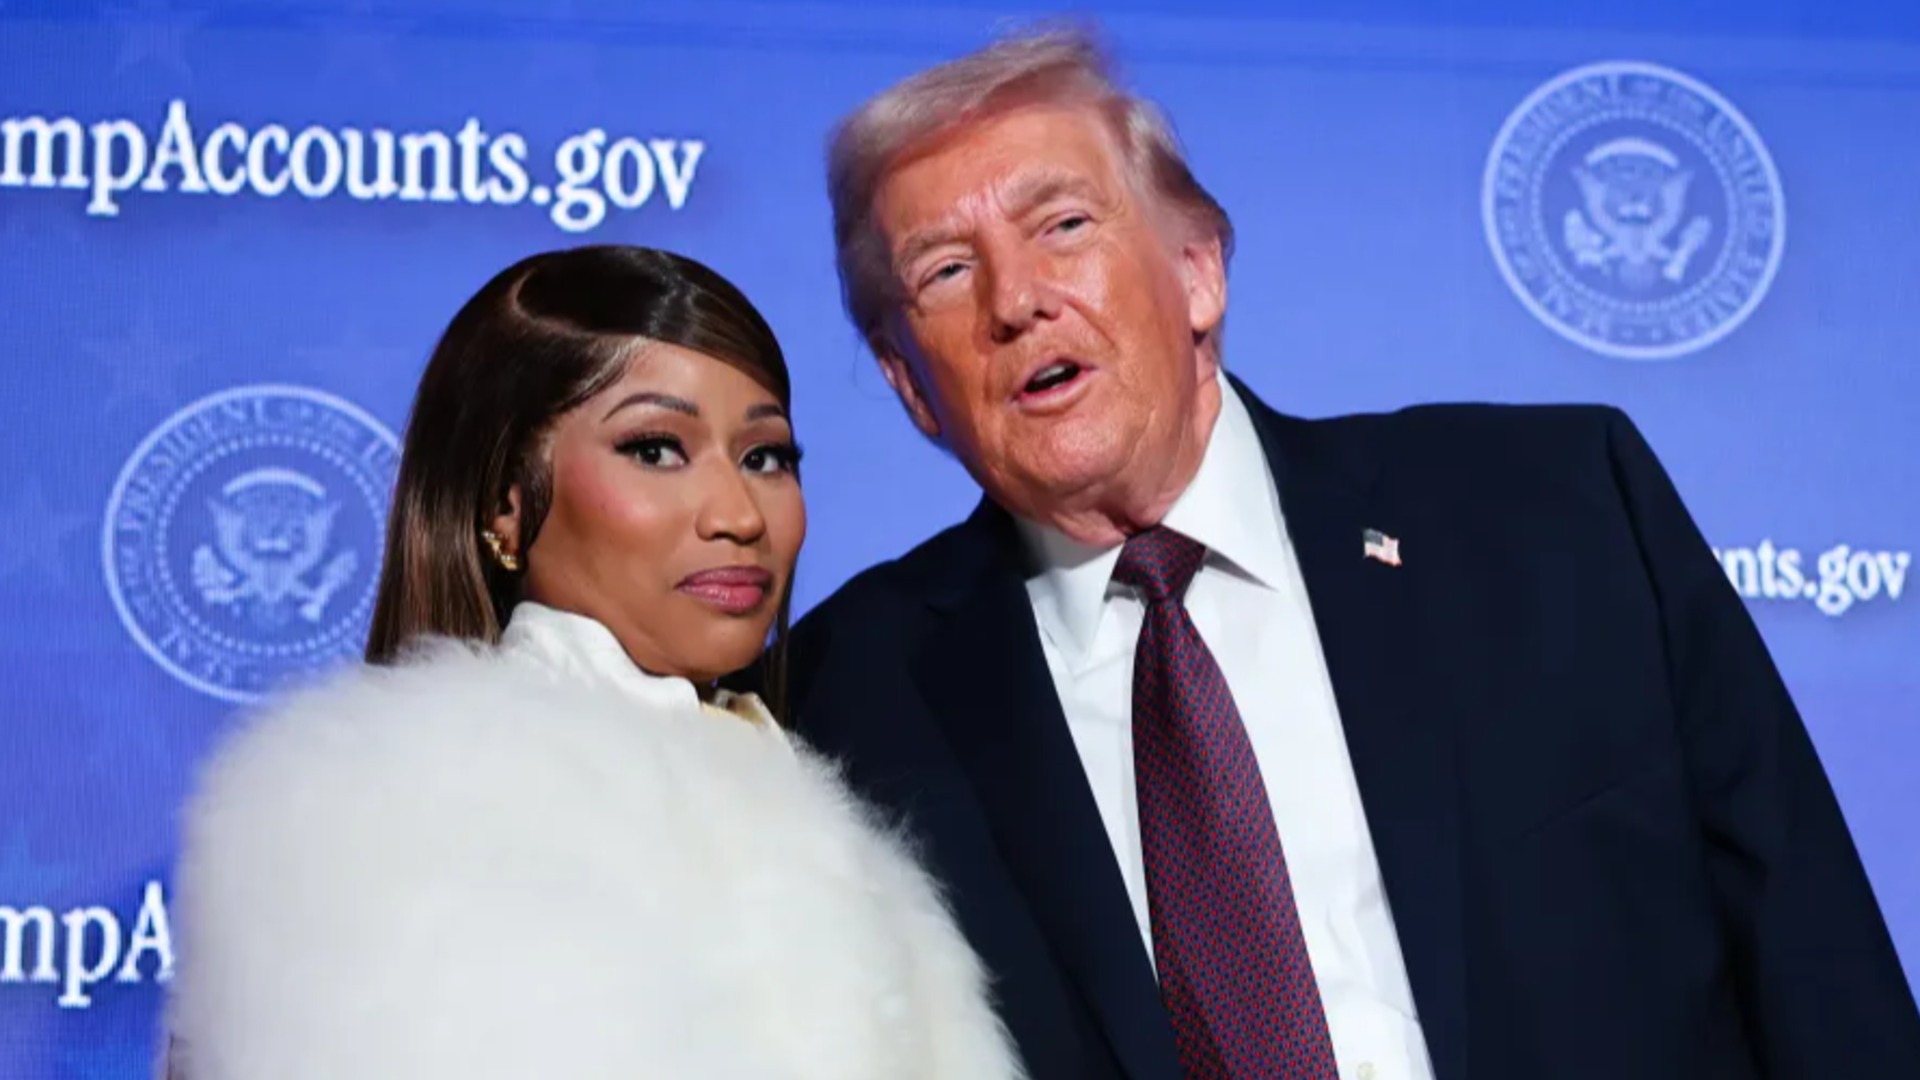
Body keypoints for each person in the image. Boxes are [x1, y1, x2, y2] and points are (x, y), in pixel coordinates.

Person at [784, 26, 1920, 1080]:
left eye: (1063, 225)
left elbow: (1818, 966)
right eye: (945, 271)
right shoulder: (854, 697)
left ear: (1197, 272)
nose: (1017, 300)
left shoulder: (1558, 510)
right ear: (908, 386)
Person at [157, 245, 1025, 1080]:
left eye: (766, 457)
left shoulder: (825, 814)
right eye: (655, 449)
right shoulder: (395, 810)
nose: (738, 514)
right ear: (504, 502)